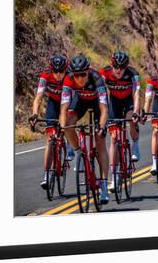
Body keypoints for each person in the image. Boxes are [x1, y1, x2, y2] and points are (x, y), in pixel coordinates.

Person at [60, 55, 110, 204]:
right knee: (68, 124)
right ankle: (78, 152)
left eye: (83, 74)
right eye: (77, 75)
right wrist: (63, 127)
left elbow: (104, 108)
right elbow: (63, 108)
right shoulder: (68, 79)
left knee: (100, 141)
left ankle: (104, 185)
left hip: (97, 104)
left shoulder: (97, 79)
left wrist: (101, 127)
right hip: (80, 101)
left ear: (88, 71)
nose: (80, 78)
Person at [29, 55, 73, 190]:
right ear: (51, 69)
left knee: (65, 123)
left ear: (66, 70)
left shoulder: (71, 76)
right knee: (49, 139)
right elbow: (38, 98)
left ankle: (70, 142)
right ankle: (47, 174)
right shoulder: (46, 76)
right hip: (53, 103)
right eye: (55, 71)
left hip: (69, 102)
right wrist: (35, 114)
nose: (58, 74)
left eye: (61, 71)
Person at [99, 51, 141, 192]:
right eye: (116, 66)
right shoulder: (105, 72)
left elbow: (136, 93)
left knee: (131, 119)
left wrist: (136, 111)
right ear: (111, 64)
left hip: (128, 102)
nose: (118, 70)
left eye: (122, 67)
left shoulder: (133, 74)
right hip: (114, 104)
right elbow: (99, 89)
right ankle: (114, 175)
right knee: (114, 138)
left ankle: (135, 144)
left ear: (126, 67)